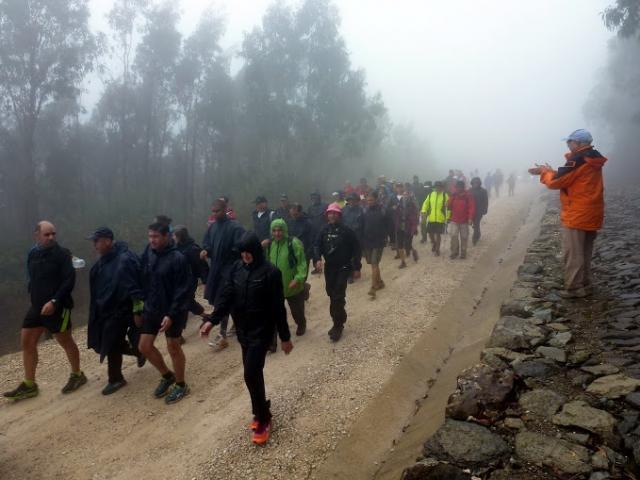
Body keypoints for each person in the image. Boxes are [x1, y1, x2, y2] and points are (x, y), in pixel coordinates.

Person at [199, 232, 293, 446]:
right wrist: (211, 321)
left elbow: (279, 308)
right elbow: (225, 297)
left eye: (248, 252)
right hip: (243, 331)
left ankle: (263, 418)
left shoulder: (271, 273)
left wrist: (285, 337)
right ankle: (261, 411)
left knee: (250, 374)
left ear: (256, 251)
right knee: (253, 375)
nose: (245, 256)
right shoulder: (236, 269)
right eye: (242, 253)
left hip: (262, 331)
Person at [3, 221, 86, 401]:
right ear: (37, 235)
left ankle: (77, 374)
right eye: (47, 234)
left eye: (53, 234)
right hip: (37, 307)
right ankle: (30, 385)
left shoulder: (63, 254)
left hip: (58, 306)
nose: (51, 237)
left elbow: (68, 281)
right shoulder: (33, 253)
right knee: (26, 341)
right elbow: (32, 277)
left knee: (65, 340)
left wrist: (54, 301)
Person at [528, 129, 607, 298]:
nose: (567, 144)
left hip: (577, 212)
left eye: (569, 142)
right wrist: (550, 171)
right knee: (585, 250)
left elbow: (556, 182)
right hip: (592, 211)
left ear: (577, 143)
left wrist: (544, 172)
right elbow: (572, 179)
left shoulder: (577, 160)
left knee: (573, 252)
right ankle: (585, 283)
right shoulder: (592, 158)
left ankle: (574, 288)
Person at [138, 222, 192, 404]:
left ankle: (181, 384)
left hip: (174, 310)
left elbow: (183, 289)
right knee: (144, 346)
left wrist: (171, 314)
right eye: (150, 236)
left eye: (156, 237)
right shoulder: (149, 253)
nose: (152, 240)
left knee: (173, 347)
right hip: (152, 308)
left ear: (166, 237)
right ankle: (167, 375)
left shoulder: (178, 258)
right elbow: (142, 276)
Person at [87, 227, 144, 395]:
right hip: (107, 310)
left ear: (108, 241)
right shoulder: (102, 262)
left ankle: (116, 378)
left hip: (122, 310)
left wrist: (137, 310)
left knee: (111, 344)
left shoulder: (125, 259)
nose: (94, 245)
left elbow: (135, 286)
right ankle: (140, 351)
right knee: (110, 342)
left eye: (96, 241)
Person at [313, 203, 362, 342]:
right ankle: (341, 315)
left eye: (335, 213)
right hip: (330, 268)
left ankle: (337, 325)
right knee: (331, 293)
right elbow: (316, 245)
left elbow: (357, 248)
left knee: (337, 296)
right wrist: (317, 259)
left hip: (344, 267)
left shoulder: (347, 231)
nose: (332, 215)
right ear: (327, 215)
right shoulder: (324, 230)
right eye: (330, 213)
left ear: (339, 215)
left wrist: (357, 267)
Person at [202, 198, 245, 351]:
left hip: (231, 270)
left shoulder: (235, 227)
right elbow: (207, 243)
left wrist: (231, 257)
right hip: (216, 270)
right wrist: (206, 250)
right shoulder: (212, 228)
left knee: (225, 301)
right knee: (223, 301)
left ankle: (223, 334)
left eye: (217, 211)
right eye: (213, 211)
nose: (215, 214)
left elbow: (241, 247)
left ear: (225, 209)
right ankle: (230, 331)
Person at [268, 219, 308, 339]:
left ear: (284, 230)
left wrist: (298, 278)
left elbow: (302, 263)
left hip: (292, 285)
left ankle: (301, 324)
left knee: (297, 311)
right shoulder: (270, 245)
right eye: (274, 230)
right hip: (276, 286)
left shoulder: (293, 243)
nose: (277, 233)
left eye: (279, 230)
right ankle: (273, 341)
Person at [173, 225, 211, 331]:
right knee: (186, 301)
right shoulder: (176, 248)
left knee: (186, 301)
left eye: (174, 235)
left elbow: (202, 266)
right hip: (179, 280)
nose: (173, 237)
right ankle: (205, 316)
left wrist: (205, 281)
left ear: (180, 236)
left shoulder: (192, 249)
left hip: (190, 280)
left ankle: (179, 330)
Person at [362, 190, 387, 299]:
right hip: (368, 241)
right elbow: (363, 226)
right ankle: (380, 282)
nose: (369, 202)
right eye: (368, 200)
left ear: (376, 200)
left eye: (371, 200)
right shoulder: (365, 211)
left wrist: (387, 238)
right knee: (373, 263)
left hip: (378, 241)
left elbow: (388, 224)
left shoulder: (382, 210)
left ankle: (373, 287)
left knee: (374, 263)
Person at [287, 203, 314, 299]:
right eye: (292, 213)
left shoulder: (308, 223)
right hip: (292, 252)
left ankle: (302, 291)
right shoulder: (289, 222)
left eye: (295, 214)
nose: (293, 215)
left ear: (300, 212)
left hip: (304, 252)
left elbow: (312, 240)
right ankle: (304, 288)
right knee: (294, 274)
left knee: (302, 275)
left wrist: (308, 254)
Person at [448, 180, 475, 260]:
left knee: (464, 237)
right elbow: (448, 206)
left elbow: (471, 207)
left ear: (463, 187)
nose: (458, 189)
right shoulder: (454, 195)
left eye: (460, 187)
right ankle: (454, 252)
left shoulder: (468, 195)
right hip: (454, 220)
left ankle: (463, 253)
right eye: (457, 187)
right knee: (453, 236)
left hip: (464, 220)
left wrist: (470, 218)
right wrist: (451, 198)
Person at [421, 181, 449, 256]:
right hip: (431, 217)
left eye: (439, 187)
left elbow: (448, 207)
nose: (438, 188)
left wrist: (448, 217)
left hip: (440, 218)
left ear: (442, 188)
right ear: (435, 187)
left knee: (438, 234)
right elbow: (425, 204)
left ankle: (437, 250)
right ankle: (434, 243)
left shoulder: (444, 195)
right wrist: (423, 211)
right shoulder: (430, 195)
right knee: (430, 234)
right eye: (436, 187)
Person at [394, 183, 419, 268]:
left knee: (407, 244)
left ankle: (413, 251)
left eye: (406, 196)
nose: (405, 197)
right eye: (404, 196)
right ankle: (403, 262)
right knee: (400, 245)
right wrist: (396, 224)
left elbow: (415, 216)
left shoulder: (412, 203)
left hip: (409, 226)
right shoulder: (400, 203)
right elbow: (397, 214)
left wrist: (414, 228)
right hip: (400, 226)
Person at [342, 192, 364, 281]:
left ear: (357, 201)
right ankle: (349, 274)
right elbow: (341, 222)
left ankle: (357, 269)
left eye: (354, 200)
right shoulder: (343, 210)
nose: (352, 202)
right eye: (350, 200)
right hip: (346, 236)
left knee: (357, 255)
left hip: (357, 236)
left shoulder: (361, 210)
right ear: (348, 201)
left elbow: (363, 224)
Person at [307, 191, 328, 274]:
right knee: (315, 250)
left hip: (324, 231)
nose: (314, 199)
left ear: (319, 197)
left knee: (327, 249)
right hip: (314, 232)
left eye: (315, 197)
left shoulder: (325, 206)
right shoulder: (310, 208)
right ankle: (317, 267)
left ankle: (330, 265)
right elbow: (308, 219)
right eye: (312, 198)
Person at [469, 177, 489, 246]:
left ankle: (474, 238)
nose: (475, 184)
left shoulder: (483, 191)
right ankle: (478, 233)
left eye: (477, 183)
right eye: (474, 183)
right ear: (472, 183)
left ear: (479, 183)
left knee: (476, 224)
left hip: (479, 211)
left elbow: (486, 201)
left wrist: (485, 209)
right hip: (471, 211)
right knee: (475, 224)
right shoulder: (469, 190)